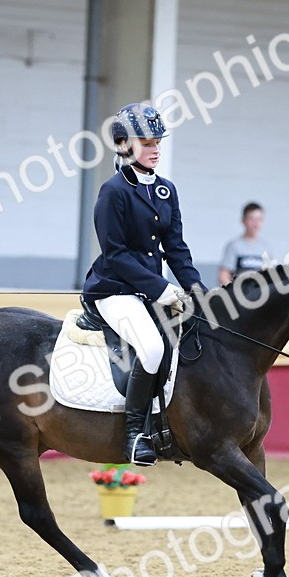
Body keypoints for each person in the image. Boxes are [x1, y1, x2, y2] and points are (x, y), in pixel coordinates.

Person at [81, 102, 206, 466]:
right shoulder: (113, 191)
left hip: (151, 291)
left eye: (157, 143)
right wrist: (162, 289)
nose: (155, 150)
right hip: (114, 290)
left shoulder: (166, 190)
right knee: (151, 348)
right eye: (146, 142)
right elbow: (116, 254)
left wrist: (197, 289)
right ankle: (136, 434)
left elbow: (176, 248)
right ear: (124, 144)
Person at [218, 202, 272, 285]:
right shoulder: (234, 246)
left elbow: (271, 275)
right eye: (252, 219)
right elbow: (223, 275)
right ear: (243, 220)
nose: (255, 224)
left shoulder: (265, 247)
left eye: (259, 219)